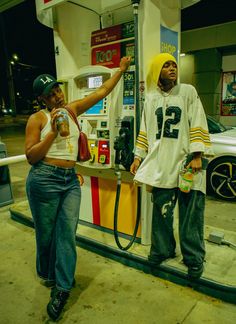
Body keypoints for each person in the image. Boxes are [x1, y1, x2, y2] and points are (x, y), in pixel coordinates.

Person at [25, 56, 131, 321]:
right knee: (46, 235)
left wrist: (121, 70)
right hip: (44, 179)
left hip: (70, 180)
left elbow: (102, 91)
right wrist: (52, 132)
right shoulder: (37, 119)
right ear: (43, 99)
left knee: (67, 235)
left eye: (58, 90)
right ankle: (48, 275)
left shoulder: (72, 110)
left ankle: (62, 288)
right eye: (51, 94)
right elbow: (30, 156)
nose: (57, 96)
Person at [130, 53, 213, 280]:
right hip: (161, 164)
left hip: (188, 163)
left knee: (191, 215)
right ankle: (162, 249)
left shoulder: (187, 92)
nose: (172, 68)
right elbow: (145, 130)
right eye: (166, 65)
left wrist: (197, 154)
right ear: (157, 71)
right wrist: (138, 157)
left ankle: (194, 258)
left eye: (174, 65)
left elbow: (198, 120)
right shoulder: (150, 98)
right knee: (161, 212)